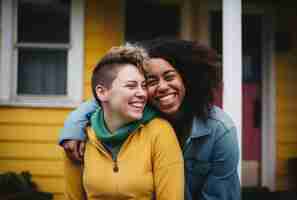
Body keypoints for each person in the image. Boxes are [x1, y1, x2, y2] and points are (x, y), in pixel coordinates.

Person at [60, 38, 240, 200]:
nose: (162, 87)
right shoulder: (141, 110)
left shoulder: (220, 130)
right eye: (151, 81)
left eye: (169, 77)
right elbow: (106, 100)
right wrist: (73, 125)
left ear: (186, 79)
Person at [63, 43, 184, 200]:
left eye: (143, 85)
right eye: (131, 86)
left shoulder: (159, 131)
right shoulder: (78, 138)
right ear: (102, 92)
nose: (142, 93)